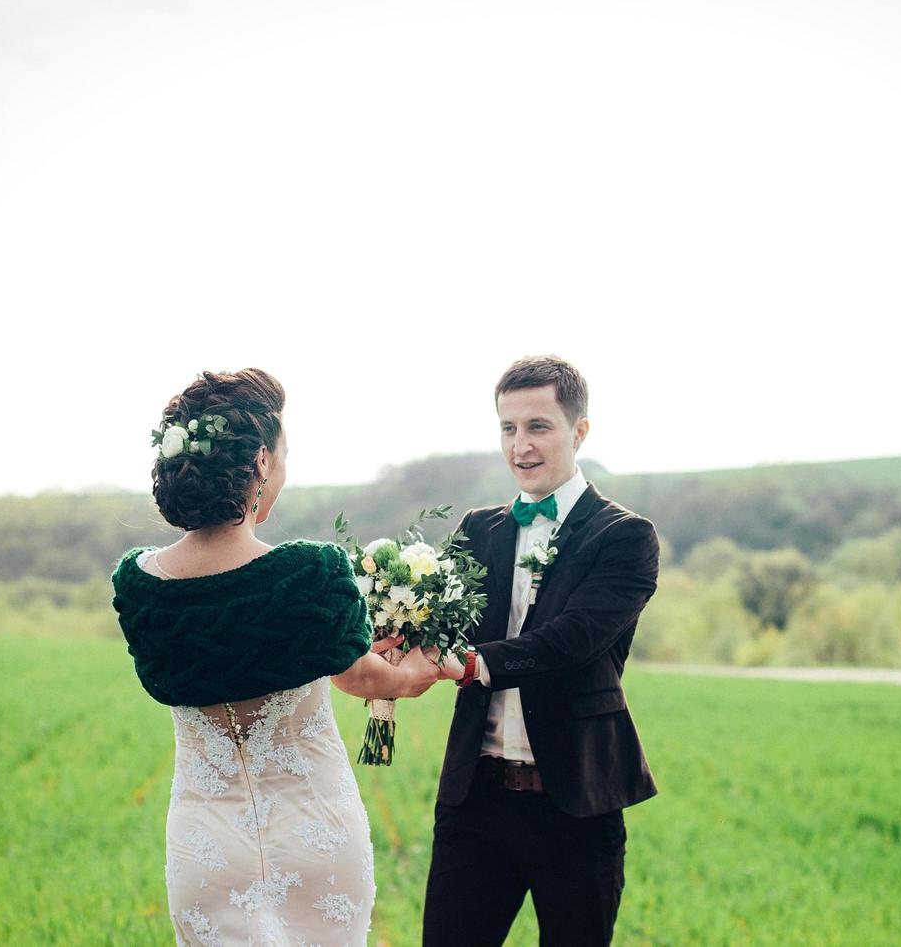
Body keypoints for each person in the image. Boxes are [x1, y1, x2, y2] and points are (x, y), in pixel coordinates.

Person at [110, 367, 440, 947]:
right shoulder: (311, 571)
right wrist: (417, 668)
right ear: (262, 461)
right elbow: (366, 678)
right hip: (315, 835)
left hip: (204, 847)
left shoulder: (139, 583)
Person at [423, 355, 661, 946]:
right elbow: (442, 625)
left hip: (576, 804)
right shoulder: (478, 529)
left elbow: (574, 639)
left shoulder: (626, 537)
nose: (520, 446)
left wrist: (479, 664)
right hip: (474, 801)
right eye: (508, 428)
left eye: (538, 427)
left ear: (579, 431)